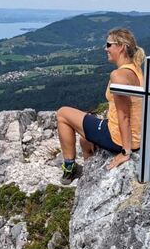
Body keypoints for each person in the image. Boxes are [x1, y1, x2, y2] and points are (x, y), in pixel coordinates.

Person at [56, 28, 145, 185]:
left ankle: (69, 168)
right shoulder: (136, 69)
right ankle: (89, 173)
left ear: (122, 47)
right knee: (84, 140)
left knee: (63, 113)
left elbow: (124, 116)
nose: (106, 48)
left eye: (109, 44)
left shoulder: (118, 76)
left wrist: (126, 152)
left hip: (118, 138)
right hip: (136, 137)